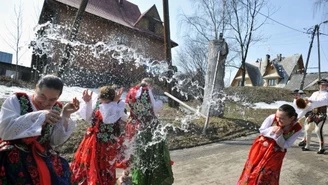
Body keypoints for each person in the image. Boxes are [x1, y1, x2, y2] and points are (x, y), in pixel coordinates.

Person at [0, 74, 79, 185]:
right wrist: (40, 116)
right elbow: (4, 131)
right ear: (36, 88)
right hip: (14, 151)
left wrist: (65, 115)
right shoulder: (16, 100)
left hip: (41, 153)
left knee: (62, 173)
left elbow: (55, 141)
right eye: (42, 96)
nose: (46, 103)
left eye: (52, 99)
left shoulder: (56, 108)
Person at [120, 77, 174, 185]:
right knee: (151, 153)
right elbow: (154, 107)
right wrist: (160, 102)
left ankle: (130, 177)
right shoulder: (147, 91)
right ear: (150, 85)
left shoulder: (132, 91)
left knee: (135, 152)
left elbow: (129, 108)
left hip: (134, 126)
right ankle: (147, 178)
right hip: (149, 127)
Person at [70, 86, 126, 185]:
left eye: (107, 100)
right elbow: (87, 117)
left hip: (107, 141)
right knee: (91, 162)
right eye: (102, 99)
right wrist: (87, 102)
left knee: (104, 164)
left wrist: (115, 104)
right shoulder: (97, 103)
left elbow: (109, 119)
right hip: (92, 140)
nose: (104, 102)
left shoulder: (118, 105)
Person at [237, 104, 302, 185]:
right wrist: (273, 130)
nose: (278, 120)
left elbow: (286, 145)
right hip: (261, 148)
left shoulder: (297, 128)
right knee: (252, 168)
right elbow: (262, 130)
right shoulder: (272, 117)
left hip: (275, 153)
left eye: (282, 118)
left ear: (291, 118)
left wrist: (279, 136)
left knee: (266, 174)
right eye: (277, 116)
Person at [299, 79, 328, 154]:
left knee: (318, 131)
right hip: (312, 113)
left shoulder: (326, 94)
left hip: (321, 113)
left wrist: (311, 101)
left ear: (327, 86)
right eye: (321, 84)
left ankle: (322, 147)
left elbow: (324, 101)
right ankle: (307, 146)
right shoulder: (314, 93)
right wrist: (300, 114)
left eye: (324, 84)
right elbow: (309, 105)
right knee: (307, 129)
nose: (322, 86)